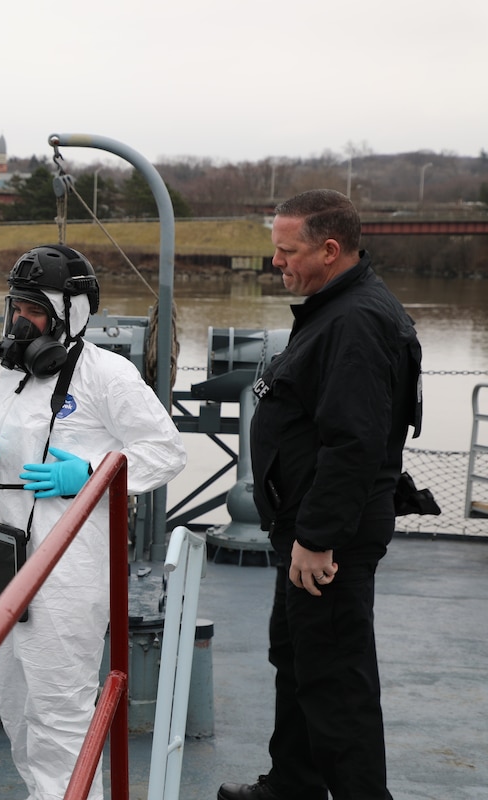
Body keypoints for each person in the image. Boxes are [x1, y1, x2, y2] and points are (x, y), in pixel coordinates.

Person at [0, 244, 186, 800]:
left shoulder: (109, 376)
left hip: (68, 568)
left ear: (71, 312)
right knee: (12, 698)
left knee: (61, 709)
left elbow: (166, 450)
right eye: (16, 306)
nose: (18, 320)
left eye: (33, 308)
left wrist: (92, 474)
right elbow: (7, 449)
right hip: (6, 560)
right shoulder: (12, 378)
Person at [218, 190, 422, 800]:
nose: (277, 262)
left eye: (288, 251)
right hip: (304, 530)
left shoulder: (355, 322)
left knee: (336, 683)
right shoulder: (338, 309)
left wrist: (317, 538)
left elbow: (353, 445)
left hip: (327, 540)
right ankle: (293, 784)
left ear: (329, 250)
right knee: (299, 660)